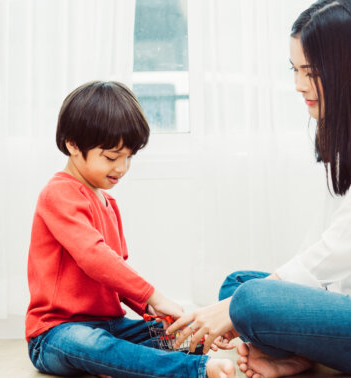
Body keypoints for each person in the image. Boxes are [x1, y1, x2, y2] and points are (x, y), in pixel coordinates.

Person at [168, 0, 351, 376]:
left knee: (249, 300)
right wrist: (252, 299)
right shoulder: (349, 121)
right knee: (237, 286)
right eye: (295, 69)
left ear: (346, 67)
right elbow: (324, 234)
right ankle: (298, 357)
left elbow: (343, 247)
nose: (298, 85)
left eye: (310, 71)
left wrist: (243, 306)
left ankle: (293, 351)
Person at [25, 81, 236, 378]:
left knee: (177, 333)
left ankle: (119, 362)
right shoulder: (58, 193)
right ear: (73, 145)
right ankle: (191, 371)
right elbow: (94, 257)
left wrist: (161, 314)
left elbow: (116, 273)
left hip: (111, 325)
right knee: (89, 343)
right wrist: (155, 295)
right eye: (112, 157)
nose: (122, 168)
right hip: (56, 333)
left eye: (129, 157)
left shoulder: (109, 202)